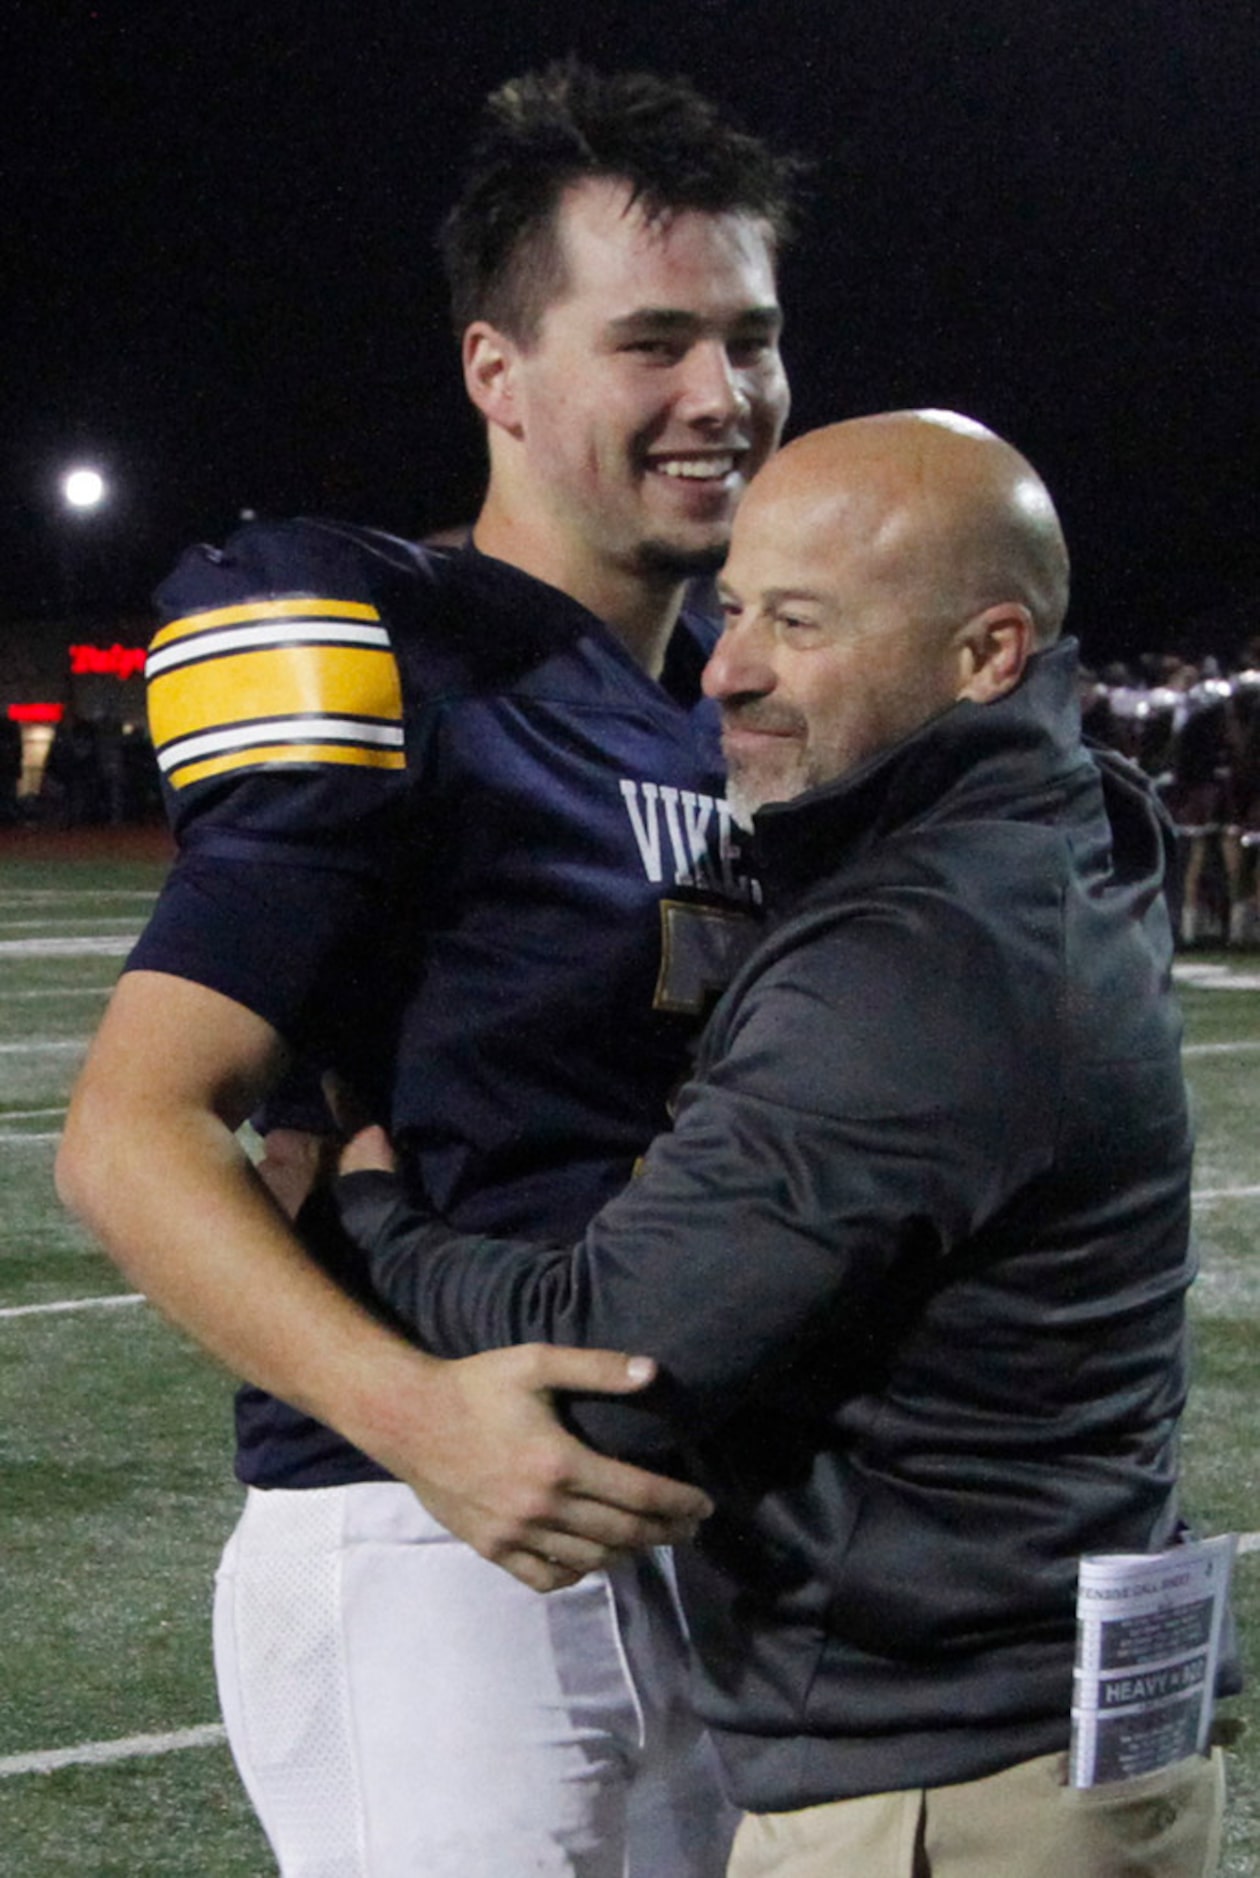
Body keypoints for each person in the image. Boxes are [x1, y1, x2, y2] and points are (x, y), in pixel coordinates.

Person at [56, 62, 798, 1877]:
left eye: (753, 337)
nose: (724, 395)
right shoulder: (397, 643)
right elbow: (128, 1135)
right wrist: (421, 1422)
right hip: (424, 1538)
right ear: (498, 374)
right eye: (654, 341)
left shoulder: (729, 707)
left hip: (688, 1534)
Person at [334, 411, 1231, 1877]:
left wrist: (378, 1211)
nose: (731, 666)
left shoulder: (919, 953)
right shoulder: (1070, 819)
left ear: (986, 654)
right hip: (1048, 1737)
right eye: (736, 606)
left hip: (948, 1780)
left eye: (798, 625)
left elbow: (611, 1363)